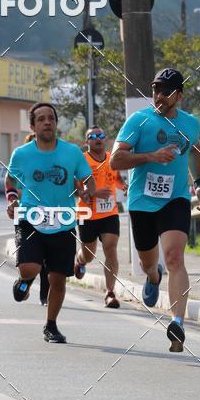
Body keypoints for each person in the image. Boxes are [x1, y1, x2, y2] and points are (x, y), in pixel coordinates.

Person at [110, 68, 200, 353]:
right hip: (142, 201)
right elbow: (115, 160)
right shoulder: (139, 121)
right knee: (147, 262)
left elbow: (193, 150)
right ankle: (154, 276)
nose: (159, 96)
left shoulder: (190, 123)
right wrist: (150, 157)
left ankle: (177, 321)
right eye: (155, 90)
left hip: (175, 199)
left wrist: (199, 183)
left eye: (166, 91)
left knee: (175, 256)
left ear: (179, 95)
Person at [6, 102, 95, 344]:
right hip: (30, 220)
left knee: (57, 280)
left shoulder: (72, 152)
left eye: (51, 119)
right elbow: (10, 179)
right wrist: (13, 199)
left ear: (56, 123)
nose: (47, 122)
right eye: (42, 119)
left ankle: (51, 326)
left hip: (63, 223)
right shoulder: (22, 154)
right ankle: (25, 280)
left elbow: (87, 177)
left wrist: (87, 191)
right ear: (33, 126)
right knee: (29, 268)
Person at [74, 125, 126, 308]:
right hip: (86, 213)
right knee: (89, 254)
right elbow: (75, 187)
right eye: (93, 136)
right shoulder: (81, 160)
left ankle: (110, 292)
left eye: (101, 135)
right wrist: (90, 193)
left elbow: (117, 178)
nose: (98, 138)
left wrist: (124, 187)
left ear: (105, 139)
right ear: (86, 142)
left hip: (109, 213)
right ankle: (80, 260)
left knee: (111, 248)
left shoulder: (112, 158)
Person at [24, 130, 49, 306]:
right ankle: (25, 282)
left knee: (47, 259)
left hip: (51, 217)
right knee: (33, 260)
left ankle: (45, 295)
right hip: (29, 218)